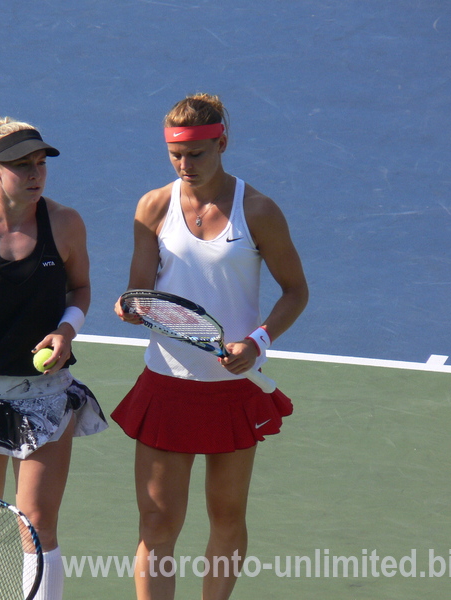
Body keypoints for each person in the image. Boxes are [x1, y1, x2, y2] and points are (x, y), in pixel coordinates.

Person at [112, 93, 308, 599]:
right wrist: (130, 307)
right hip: (167, 385)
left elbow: (296, 290)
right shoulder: (154, 206)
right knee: (157, 523)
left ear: (222, 142)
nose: (185, 165)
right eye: (175, 155)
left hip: (231, 388)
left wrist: (258, 343)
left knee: (226, 517)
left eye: (196, 154)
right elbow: (141, 294)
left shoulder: (258, 211)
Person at [0, 117, 108, 600]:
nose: (35, 174)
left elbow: (82, 287)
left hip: (47, 397)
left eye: (39, 164)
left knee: (37, 522)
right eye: (20, 166)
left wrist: (66, 330)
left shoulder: (66, 223)